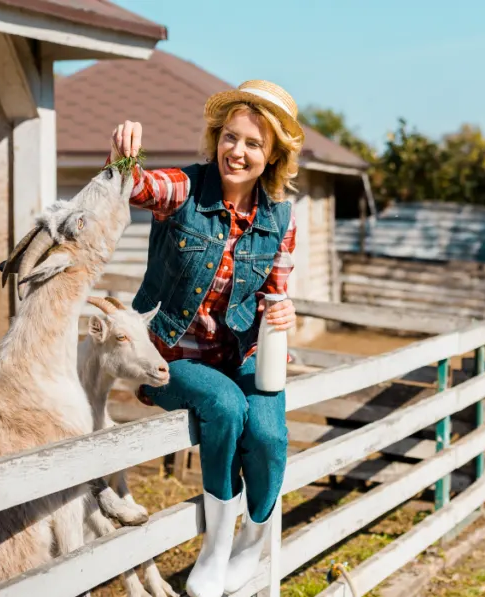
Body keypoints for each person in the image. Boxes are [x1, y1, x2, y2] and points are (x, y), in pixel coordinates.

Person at [108, 80, 303, 597]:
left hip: (245, 356)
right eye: (230, 137)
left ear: (273, 155)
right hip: (168, 357)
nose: (237, 151)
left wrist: (283, 314)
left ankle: (250, 546)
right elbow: (142, 187)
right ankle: (215, 550)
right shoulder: (188, 190)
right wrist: (124, 162)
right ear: (217, 137)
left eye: (253, 144)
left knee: (269, 436)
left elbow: (276, 294)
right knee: (223, 405)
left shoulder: (281, 217)